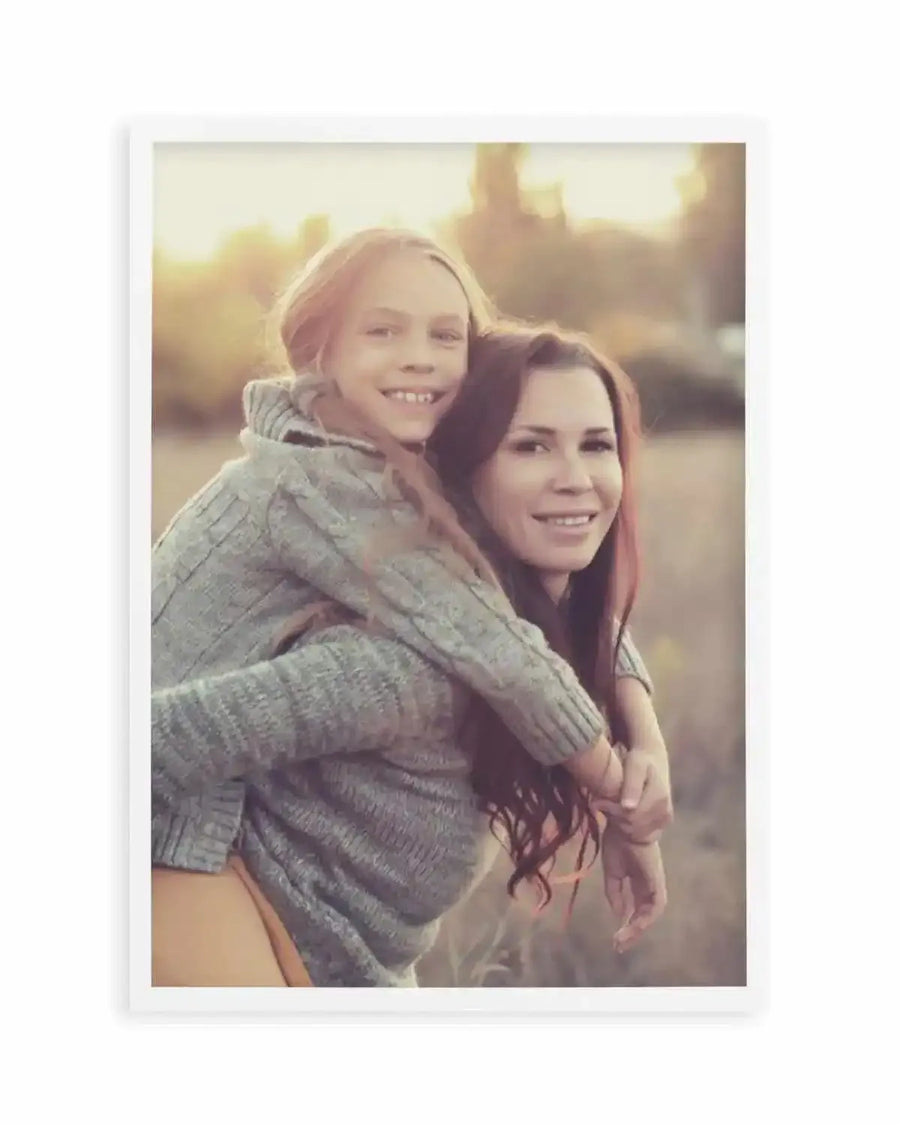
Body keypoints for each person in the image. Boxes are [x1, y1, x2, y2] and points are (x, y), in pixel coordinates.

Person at [150, 230, 671, 984]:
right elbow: (505, 652)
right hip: (175, 845)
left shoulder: (414, 526)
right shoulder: (344, 529)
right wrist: (617, 791)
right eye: (530, 446)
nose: (573, 478)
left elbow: (557, 634)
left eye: (597, 444)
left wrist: (642, 739)